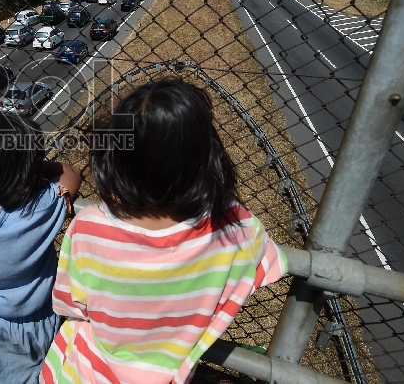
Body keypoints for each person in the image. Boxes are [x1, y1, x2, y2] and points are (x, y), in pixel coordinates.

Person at [41, 78, 287, 384]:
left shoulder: (89, 227)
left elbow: (70, 304)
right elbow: (270, 265)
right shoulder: (235, 227)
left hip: (81, 374)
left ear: (116, 159)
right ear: (205, 159)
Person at [0, 111, 82, 384]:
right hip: (35, 322)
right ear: (26, 172)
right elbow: (71, 172)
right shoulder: (36, 211)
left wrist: (4, 163)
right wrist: (32, 166)